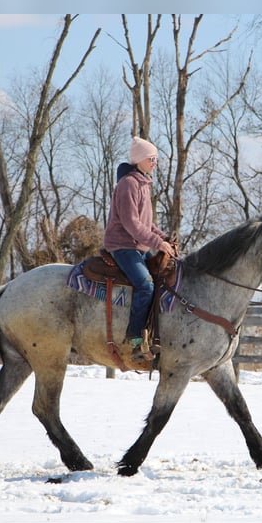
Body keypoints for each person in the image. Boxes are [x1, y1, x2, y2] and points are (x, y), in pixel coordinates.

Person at [104, 136, 176, 362]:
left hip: (139, 245)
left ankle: (155, 334)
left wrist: (163, 236)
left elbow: (146, 223)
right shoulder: (128, 184)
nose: (155, 162)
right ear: (140, 160)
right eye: (151, 158)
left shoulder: (143, 183)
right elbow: (131, 223)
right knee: (145, 285)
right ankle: (134, 339)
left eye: (156, 158)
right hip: (123, 246)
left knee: (165, 278)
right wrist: (157, 243)